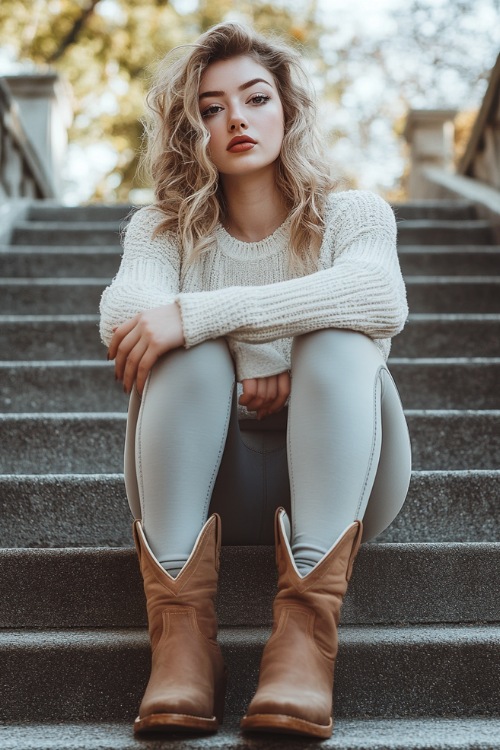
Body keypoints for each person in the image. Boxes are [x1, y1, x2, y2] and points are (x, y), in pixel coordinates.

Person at [100, 21, 411, 739]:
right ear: (189, 130)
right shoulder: (163, 230)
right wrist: (232, 349)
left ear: (289, 110)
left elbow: (379, 298)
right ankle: (181, 643)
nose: (235, 118)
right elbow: (125, 318)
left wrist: (241, 335)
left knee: (334, 337)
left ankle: (303, 641)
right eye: (210, 108)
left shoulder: (353, 216)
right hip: (207, 486)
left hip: (347, 483)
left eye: (255, 97)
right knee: (182, 349)